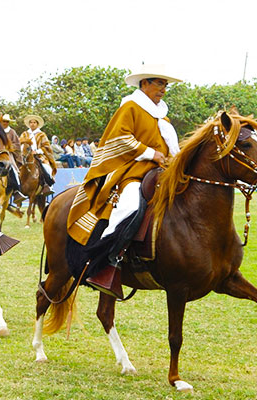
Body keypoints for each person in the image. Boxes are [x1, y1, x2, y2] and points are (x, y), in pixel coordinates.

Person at [67, 64, 181, 298]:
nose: (163, 89)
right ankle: (108, 261)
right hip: (133, 172)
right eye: (159, 83)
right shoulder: (130, 107)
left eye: (165, 85)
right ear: (144, 83)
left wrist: (172, 160)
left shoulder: (163, 116)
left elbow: (170, 148)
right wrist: (152, 153)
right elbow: (119, 138)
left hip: (161, 173)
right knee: (129, 206)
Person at [19, 115, 56, 195]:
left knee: (46, 167)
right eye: (31, 122)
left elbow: (46, 147)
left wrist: (37, 151)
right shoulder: (24, 134)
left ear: (37, 124)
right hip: (25, 156)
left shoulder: (41, 134)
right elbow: (20, 144)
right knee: (15, 167)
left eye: (34, 122)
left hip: (39, 156)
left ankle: (48, 185)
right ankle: (15, 188)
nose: (32, 124)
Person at [0, 113, 26, 203]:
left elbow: (17, 144)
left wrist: (8, 146)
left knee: (13, 170)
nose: (5, 123)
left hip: (8, 154)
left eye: (7, 121)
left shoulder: (12, 132)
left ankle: (16, 191)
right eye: (4, 121)